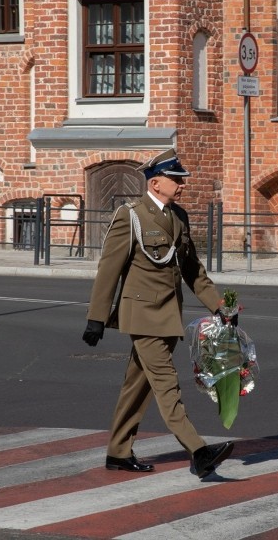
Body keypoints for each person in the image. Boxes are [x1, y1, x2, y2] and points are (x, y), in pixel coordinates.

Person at [82, 148, 235, 479]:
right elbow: (109, 268)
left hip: (167, 315)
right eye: (176, 179)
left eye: (181, 180)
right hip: (143, 315)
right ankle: (198, 450)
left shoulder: (178, 216)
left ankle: (118, 452)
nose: (182, 185)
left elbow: (193, 269)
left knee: (138, 386)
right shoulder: (131, 215)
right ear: (155, 183)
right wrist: (96, 317)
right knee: (167, 386)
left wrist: (219, 307)